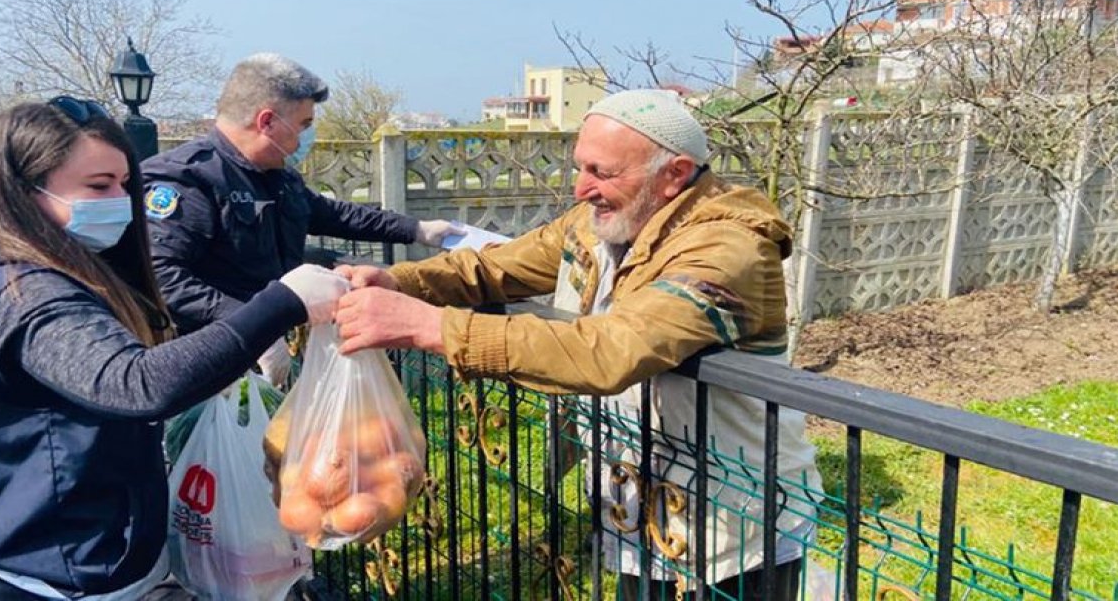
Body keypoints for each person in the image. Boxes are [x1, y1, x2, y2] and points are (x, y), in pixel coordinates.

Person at [333, 89, 822, 600]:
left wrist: (433, 328)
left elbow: (614, 348)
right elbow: (498, 265)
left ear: (674, 174)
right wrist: (401, 283)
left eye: (601, 172)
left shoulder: (726, 246)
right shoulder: (600, 225)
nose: (581, 188)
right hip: (641, 500)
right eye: (579, 167)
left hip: (729, 521)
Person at [0, 97, 348, 600]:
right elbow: (136, 383)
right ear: (22, 192)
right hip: (31, 574)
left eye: (123, 184)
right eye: (98, 186)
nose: (119, 200)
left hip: (14, 543)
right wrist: (282, 303)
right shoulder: (26, 294)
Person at [141, 52, 460, 383]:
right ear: (267, 122)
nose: (308, 136)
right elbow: (161, 277)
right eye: (304, 124)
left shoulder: (277, 176)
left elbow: (332, 214)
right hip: (198, 361)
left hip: (265, 352)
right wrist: (248, 324)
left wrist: (417, 229)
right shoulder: (187, 179)